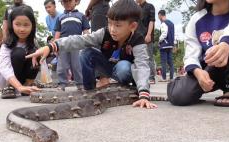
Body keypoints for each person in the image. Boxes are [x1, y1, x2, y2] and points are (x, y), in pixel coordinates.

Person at [26, 0, 158, 109]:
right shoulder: (104, 33)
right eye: (110, 23)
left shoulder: (138, 40)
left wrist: (144, 94)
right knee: (87, 52)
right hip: (110, 67)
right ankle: (89, 91)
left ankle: (135, 88)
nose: (112, 29)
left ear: (132, 26)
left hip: (128, 72)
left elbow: (142, 65)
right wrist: (52, 46)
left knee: (124, 67)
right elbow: (80, 40)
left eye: (118, 25)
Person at [167, 0, 229, 107]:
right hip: (211, 68)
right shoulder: (197, 18)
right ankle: (179, 83)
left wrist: (226, 43)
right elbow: (191, 53)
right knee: (179, 95)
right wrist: (197, 71)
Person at [0, 6, 40, 99]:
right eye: (18, 24)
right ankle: (9, 87)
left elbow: (39, 62)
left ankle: (27, 85)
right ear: (11, 25)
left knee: (37, 52)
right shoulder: (7, 43)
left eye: (26, 25)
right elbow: (5, 67)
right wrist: (19, 87)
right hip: (7, 78)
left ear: (32, 25)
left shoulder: (33, 42)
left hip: (22, 77)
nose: (22, 29)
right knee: (19, 52)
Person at [54, 0, 90, 89]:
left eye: (70, 1)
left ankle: (80, 84)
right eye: (65, 2)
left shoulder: (81, 16)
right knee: (62, 65)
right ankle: (62, 83)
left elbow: (86, 31)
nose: (68, 3)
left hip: (77, 43)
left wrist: (88, 42)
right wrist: (55, 45)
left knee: (77, 65)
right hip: (63, 44)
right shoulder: (60, 17)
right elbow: (58, 32)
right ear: (62, 3)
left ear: (76, 2)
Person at [136, 0, 156, 84]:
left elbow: (152, 21)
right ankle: (140, 77)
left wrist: (148, 34)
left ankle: (151, 77)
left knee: (149, 57)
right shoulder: (136, 8)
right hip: (137, 37)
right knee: (138, 58)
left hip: (146, 36)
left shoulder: (150, 6)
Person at [158, 10, 175, 82]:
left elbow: (164, 33)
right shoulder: (171, 23)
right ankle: (171, 77)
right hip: (170, 45)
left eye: (158, 16)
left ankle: (164, 77)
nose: (158, 18)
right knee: (170, 62)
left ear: (160, 15)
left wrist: (159, 40)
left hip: (164, 44)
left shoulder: (163, 23)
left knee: (163, 62)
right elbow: (173, 34)